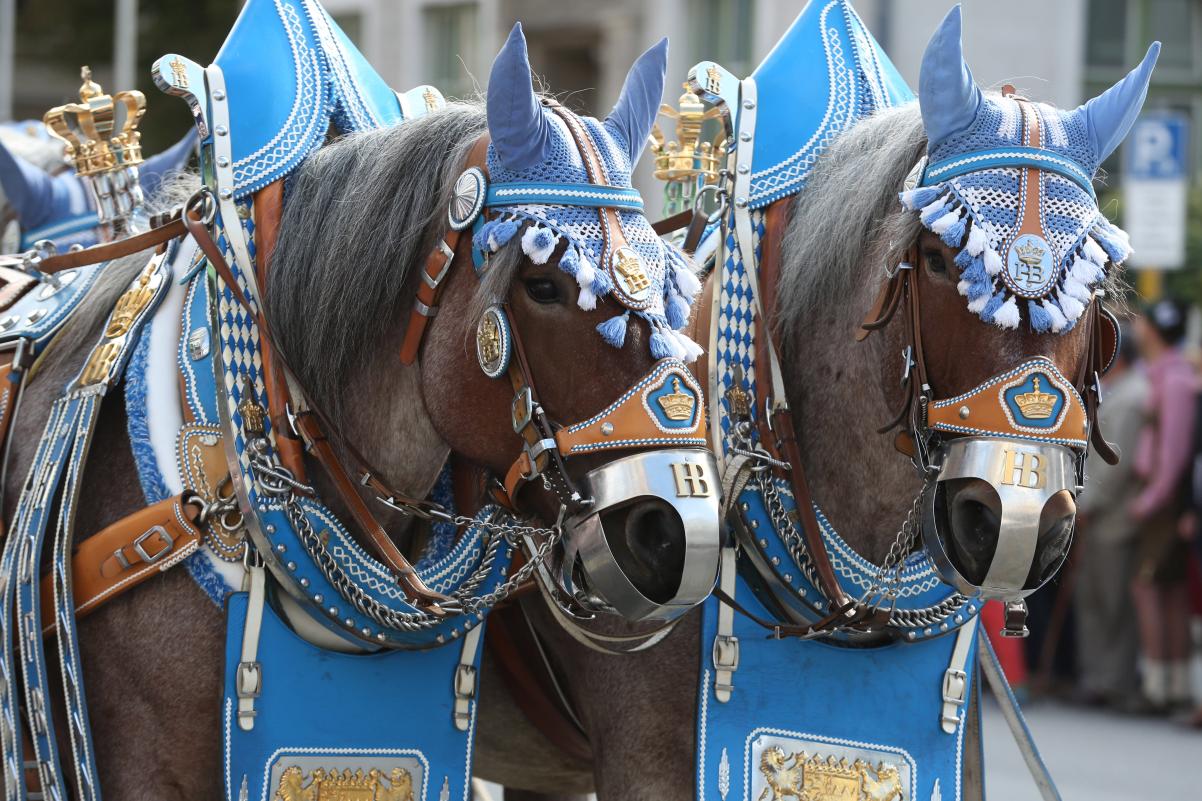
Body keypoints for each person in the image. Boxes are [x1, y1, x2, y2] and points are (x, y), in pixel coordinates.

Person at [1130, 299, 1198, 712]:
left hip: (1163, 499)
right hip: (1161, 495)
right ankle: (1174, 683)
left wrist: (1149, 500)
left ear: (1153, 331)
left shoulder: (1173, 380)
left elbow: (1174, 450)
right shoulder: (1163, 373)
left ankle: (1158, 685)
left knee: (1149, 587)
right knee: (1168, 590)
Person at [1073, 325, 1146, 708]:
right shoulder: (1120, 392)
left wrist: (1083, 508)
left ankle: (1113, 682)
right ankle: (1097, 678)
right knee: (1094, 599)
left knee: (1113, 602)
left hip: (1114, 519)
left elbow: (1117, 465)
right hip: (1102, 516)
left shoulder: (1133, 397)